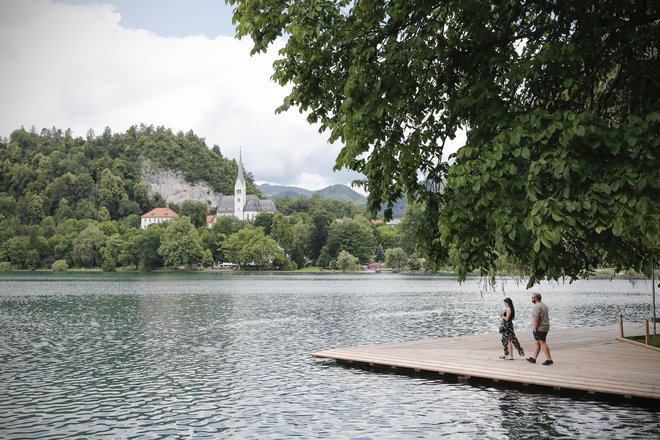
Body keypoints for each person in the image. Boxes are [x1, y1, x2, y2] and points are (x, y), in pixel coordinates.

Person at [527, 292, 553, 365]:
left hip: (540, 327)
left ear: (536, 298)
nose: (531, 299)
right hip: (546, 326)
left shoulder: (536, 307)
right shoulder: (544, 305)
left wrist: (535, 328)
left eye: (532, 297)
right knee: (537, 342)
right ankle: (533, 358)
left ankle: (549, 359)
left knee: (542, 342)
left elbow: (536, 319)